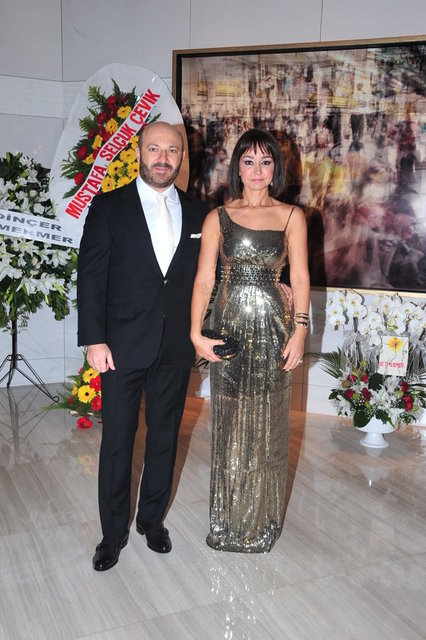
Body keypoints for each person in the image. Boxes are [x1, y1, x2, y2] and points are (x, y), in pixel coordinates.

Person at [77, 121, 208, 571]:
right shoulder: (108, 206)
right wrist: (94, 339)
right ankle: (112, 533)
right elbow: (91, 276)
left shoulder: (199, 213)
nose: (163, 158)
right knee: (117, 440)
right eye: (154, 148)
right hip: (120, 346)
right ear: (138, 152)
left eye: (172, 150)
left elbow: (212, 276)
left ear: (181, 156)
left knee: (165, 437)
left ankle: (152, 521)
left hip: (174, 346)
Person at [191, 129, 310, 553]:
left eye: (265, 161)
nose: (257, 170)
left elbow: (300, 277)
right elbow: (204, 280)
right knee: (228, 424)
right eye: (248, 161)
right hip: (228, 326)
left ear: (275, 168)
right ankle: (227, 521)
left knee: (269, 424)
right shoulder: (217, 217)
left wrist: (300, 330)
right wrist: (195, 332)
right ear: (237, 167)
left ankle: (261, 521)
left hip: (275, 327)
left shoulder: (292, 216)